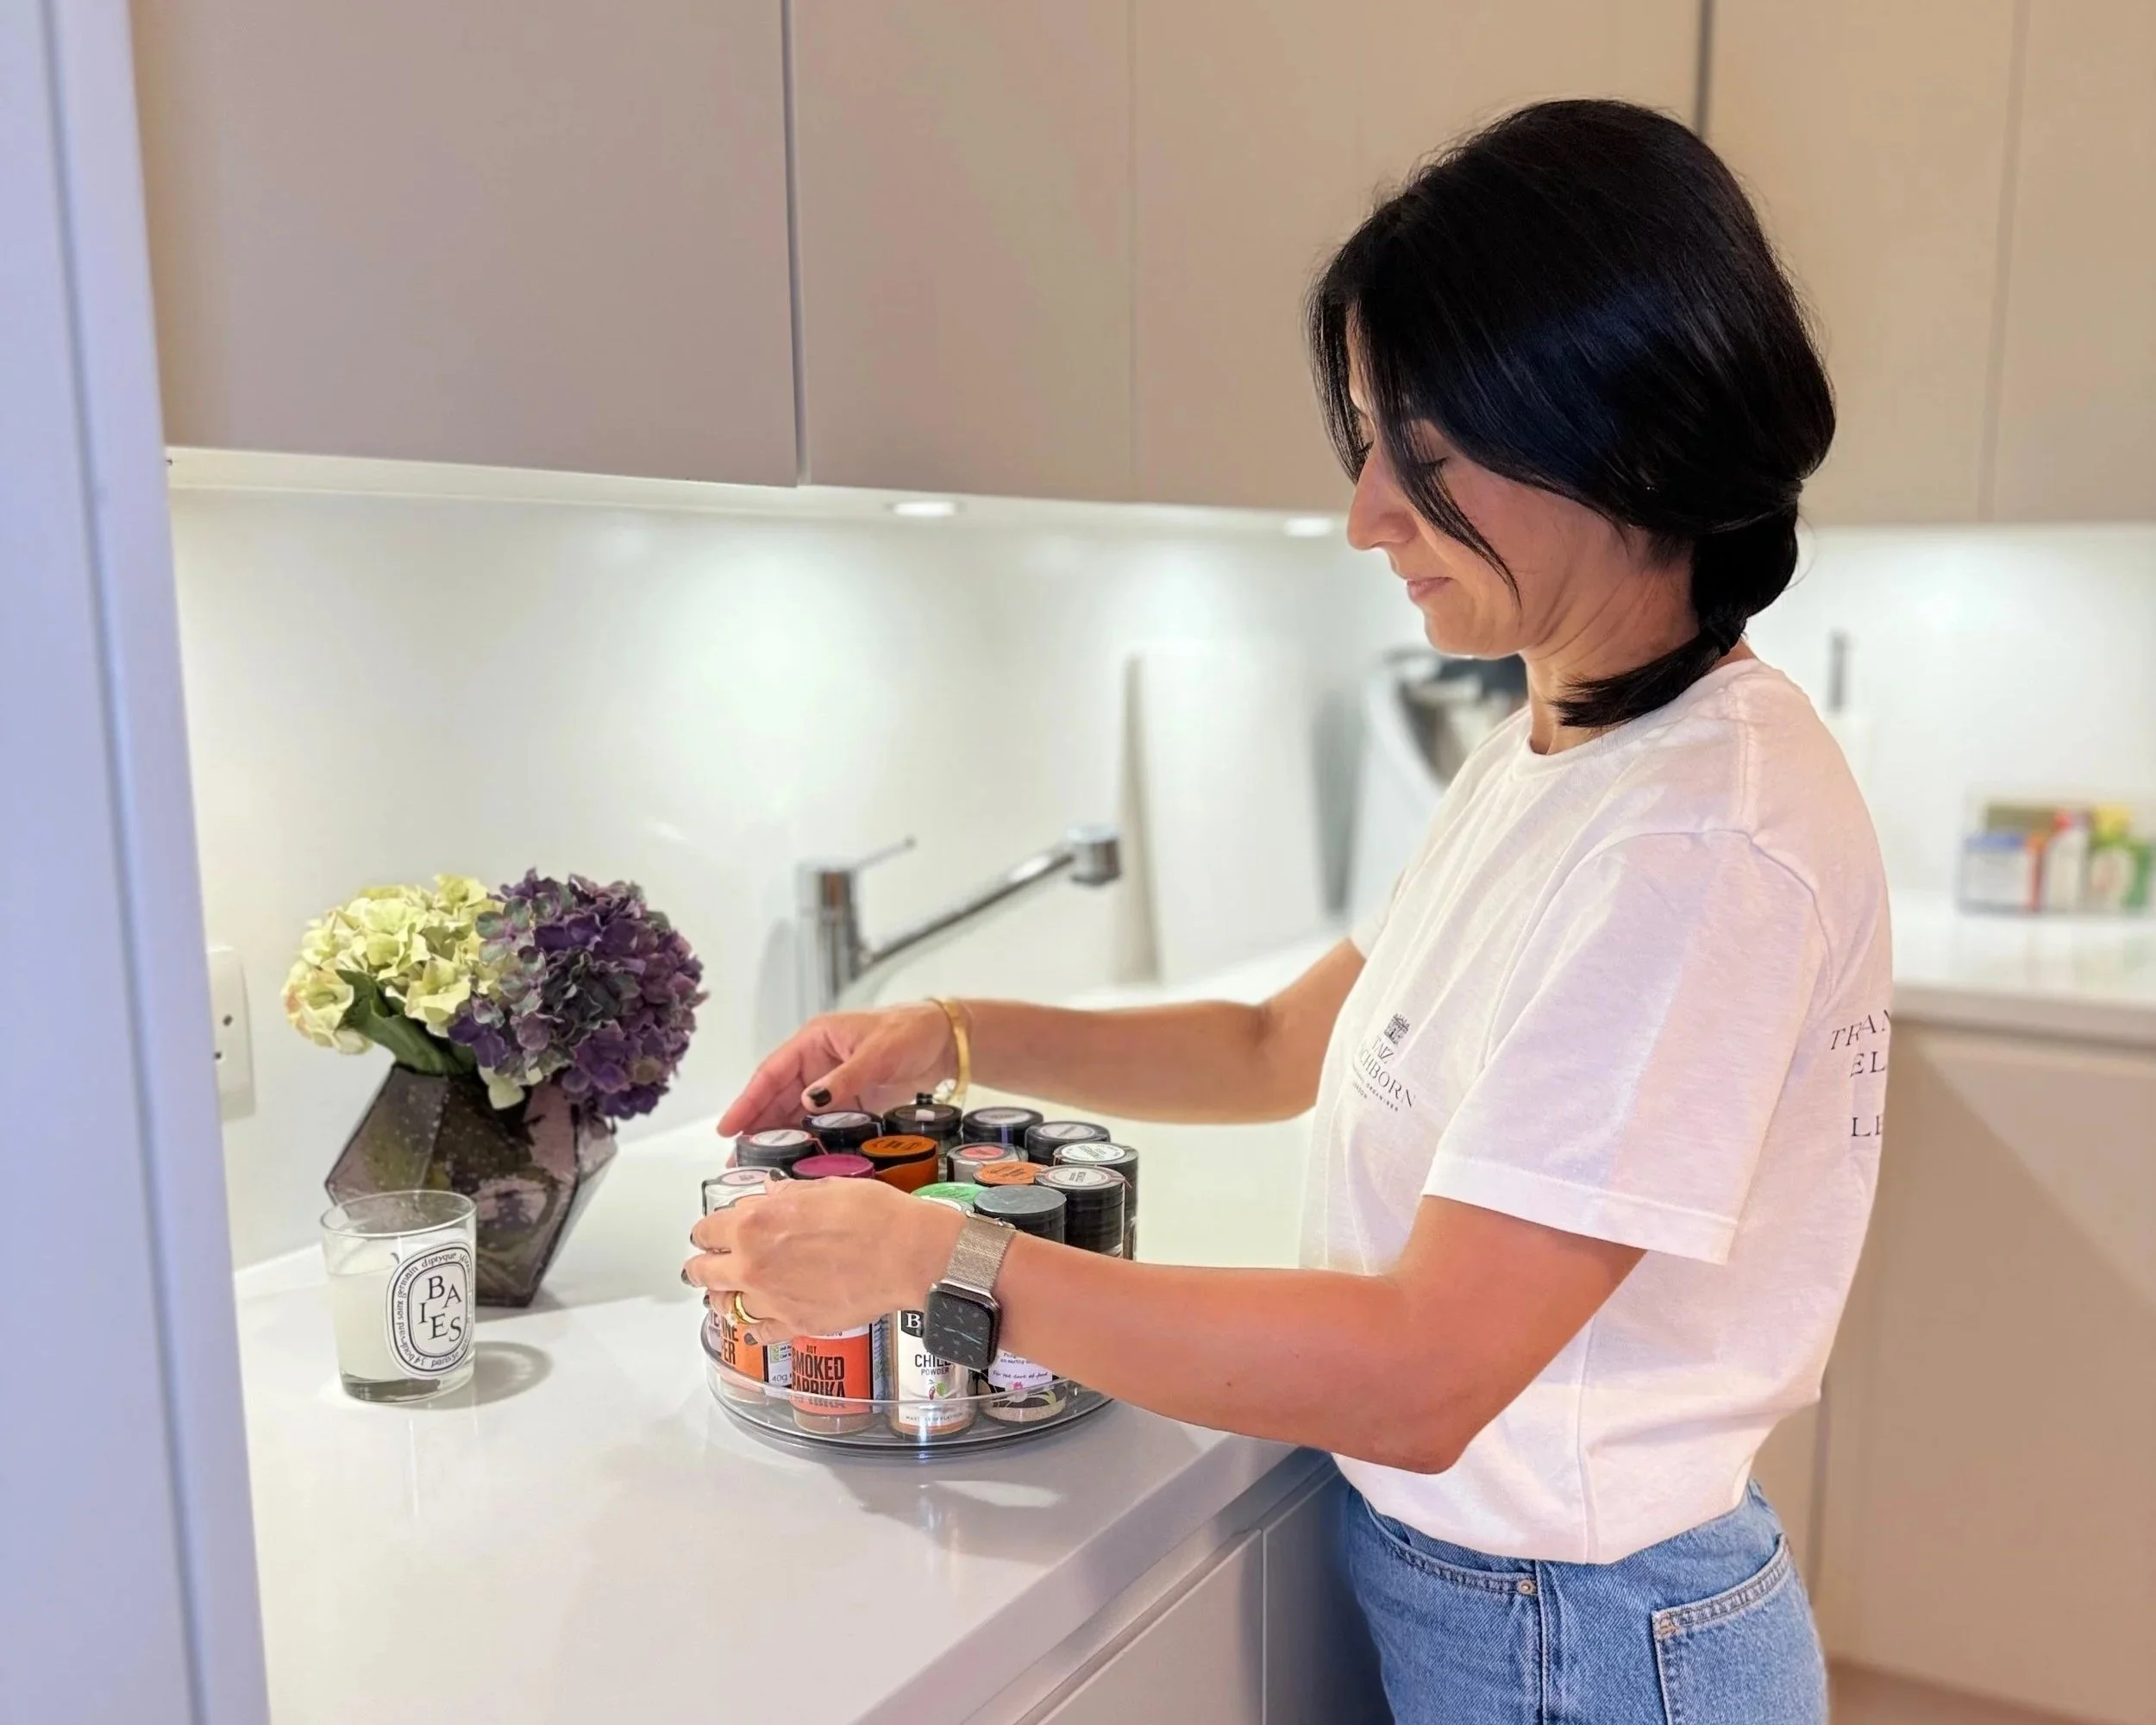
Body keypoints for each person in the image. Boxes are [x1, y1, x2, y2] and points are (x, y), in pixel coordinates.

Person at [686, 98, 1886, 1724]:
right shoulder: (1566, 744)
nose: (1367, 513)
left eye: (1428, 455)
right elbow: (1282, 1043)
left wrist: (936, 1259)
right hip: (1520, 1606)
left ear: (1622, 435)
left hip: (1586, 1642)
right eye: (1370, 443)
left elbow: (1422, 1372)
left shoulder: (1697, 843)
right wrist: (948, 1036)